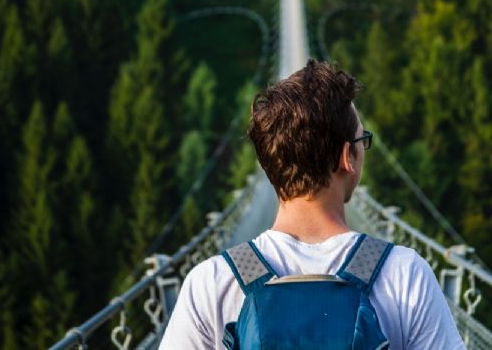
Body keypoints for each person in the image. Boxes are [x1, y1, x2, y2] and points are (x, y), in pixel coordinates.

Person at [160, 60, 465, 349]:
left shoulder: (212, 283)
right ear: (348, 158)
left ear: (269, 163)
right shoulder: (404, 274)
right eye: (363, 141)